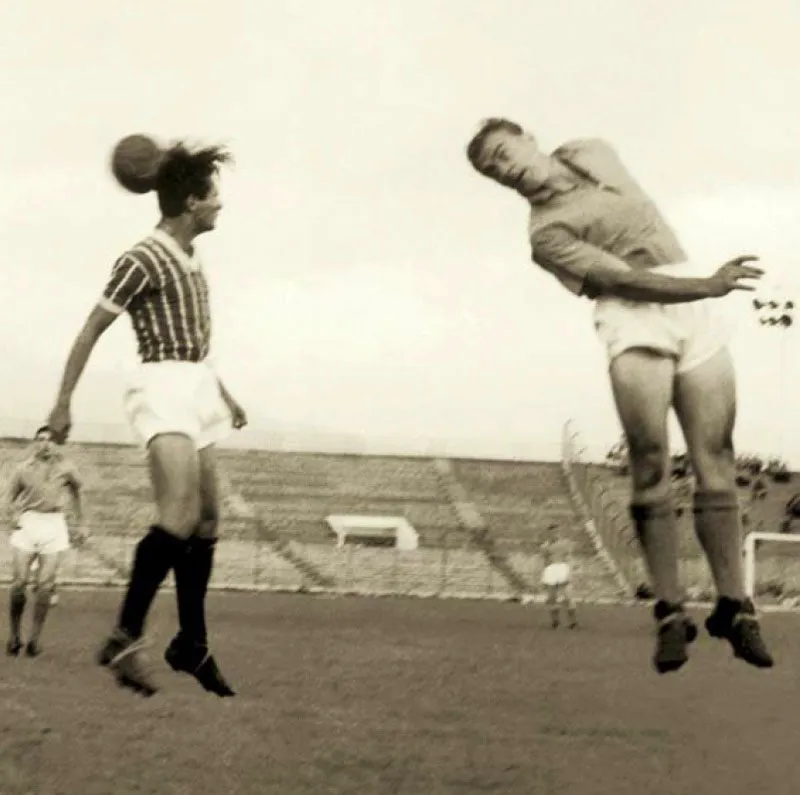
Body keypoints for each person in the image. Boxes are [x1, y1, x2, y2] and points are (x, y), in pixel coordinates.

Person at [466, 118, 774, 674]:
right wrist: (709, 284)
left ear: (529, 139)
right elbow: (625, 282)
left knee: (716, 456)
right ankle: (670, 611)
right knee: (651, 456)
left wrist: (702, 288)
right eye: (493, 170)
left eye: (504, 153)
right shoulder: (546, 235)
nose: (505, 169)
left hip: (692, 297)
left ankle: (734, 605)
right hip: (636, 314)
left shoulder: (592, 151)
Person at [46, 141, 247, 697]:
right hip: (161, 386)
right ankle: (124, 635)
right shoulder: (142, 258)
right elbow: (90, 330)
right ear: (189, 202)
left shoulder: (192, 257)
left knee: (207, 520)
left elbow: (194, 344)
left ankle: (191, 643)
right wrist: (62, 404)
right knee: (178, 515)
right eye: (212, 197)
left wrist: (223, 394)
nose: (219, 206)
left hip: (197, 384)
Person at [4, 426, 86, 657]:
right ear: (35, 443)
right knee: (19, 582)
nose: (45, 444)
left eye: (50, 440)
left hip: (54, 524)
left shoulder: (66, 468)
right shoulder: (24, 468)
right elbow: (9, 496)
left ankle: (34, 640)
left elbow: (78, 492)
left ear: (56, 444)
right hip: (28, 523)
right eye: (41, 440)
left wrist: (81, 523)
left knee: (45, 585)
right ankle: (14, 636)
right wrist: (12, 517)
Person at [540, 529, 578, 629]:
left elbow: (569, 557)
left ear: (559, 533)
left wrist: (570, 571)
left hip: (563, 567)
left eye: (556, 532)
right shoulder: (545, 546)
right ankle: (555, 621)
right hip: (551, 569)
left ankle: (572, 621)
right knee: (552, 597)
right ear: (548, 533)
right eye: (551, 533)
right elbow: (545, 560)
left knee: (567, 596)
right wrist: (544, 574)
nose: (554, 534)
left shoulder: (564, 544)